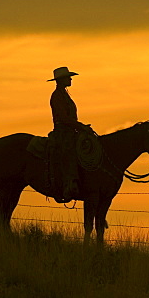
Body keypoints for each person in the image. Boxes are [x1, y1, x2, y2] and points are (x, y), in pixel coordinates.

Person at [46, 66, 89, 203]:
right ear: (60, 80)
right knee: (69, 152)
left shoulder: (64, 94)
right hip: (63, 132)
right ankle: (69, 183)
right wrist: (80, 126)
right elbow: (64, 118)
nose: (70, 79)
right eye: (68, 77)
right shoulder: (57, 96)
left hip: (70, 130)